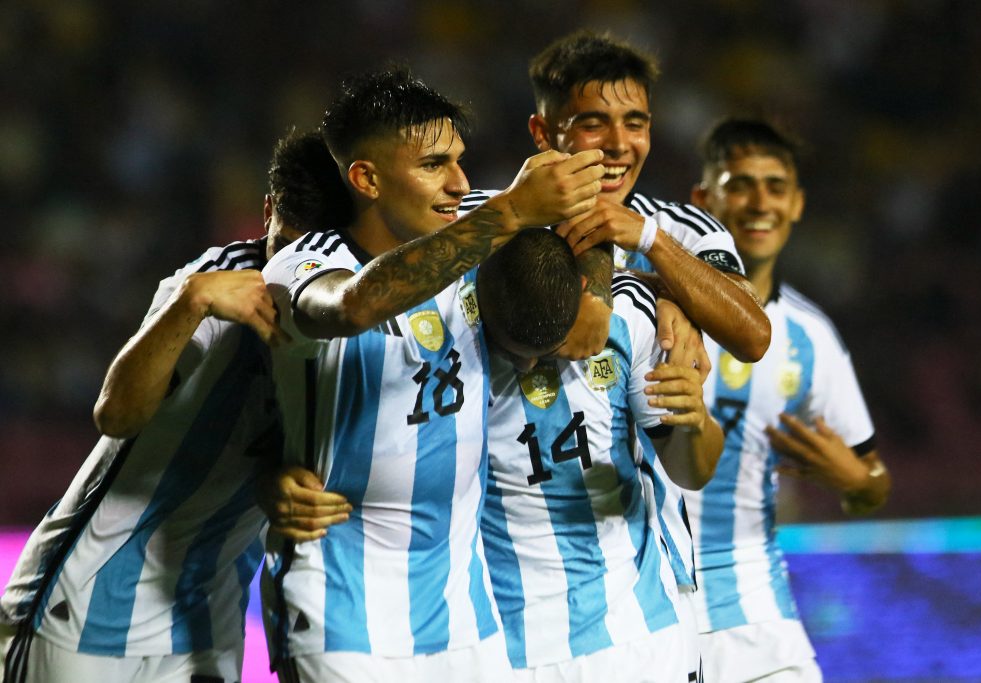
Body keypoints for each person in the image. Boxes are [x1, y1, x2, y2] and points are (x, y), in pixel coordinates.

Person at [258, 68, 604, 683]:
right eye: (433, 165)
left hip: (464, 613)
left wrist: (630, 297)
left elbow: (596, 229)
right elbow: (353, 307)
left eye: (460, 162)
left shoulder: (473, 226)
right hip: (342, 608)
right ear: (366, 178)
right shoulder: (302, 264)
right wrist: (510, 213)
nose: (459, 183)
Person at [0, 128, 351, 683]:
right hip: (84, 615)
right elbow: (115, 415)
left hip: (203, 628)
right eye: (286, 247)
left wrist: (278, 481)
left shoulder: (342, 310)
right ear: (265, 215)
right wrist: (190, 303)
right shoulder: (210, 285)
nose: (291, 276)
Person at [683, 116, 893, 682]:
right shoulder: (644, 305)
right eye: (741, 183)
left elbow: (873, 481)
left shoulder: (810, 337)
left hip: (758, 620)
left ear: (797, 204)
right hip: (648, 621)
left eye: (776, 187)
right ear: (702, 199)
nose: (760, 202)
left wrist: (856, 482)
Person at [481, 250, 722, 683]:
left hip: (641, 636)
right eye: (518, 349)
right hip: (512, 649)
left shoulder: (629, 321)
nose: (528, 365)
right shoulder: (453, 327)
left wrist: (696, 421)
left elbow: (693, 471)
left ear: (586, 296)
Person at [460, 29, 770, 365]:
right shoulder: (483, 218)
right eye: (593, 125)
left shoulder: (681, 228)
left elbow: (753, 336)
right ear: (543, 133)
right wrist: (658, 290)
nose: (619, 145)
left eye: (634, 125)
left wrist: (651, 241)